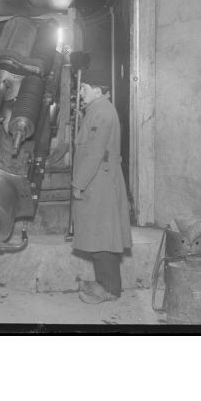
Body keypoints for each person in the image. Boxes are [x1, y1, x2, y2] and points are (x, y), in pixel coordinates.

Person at [71, 72, 132, 304]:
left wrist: (79, 183)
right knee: (98, 235)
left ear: (98, 89)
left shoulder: (102, 113)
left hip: (99, 182)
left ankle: (109, 288)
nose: (80, 93)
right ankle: (102, 282)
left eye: (84, 88)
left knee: (103, 237)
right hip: (98, 181)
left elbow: (95, 153)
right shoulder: (97, 110)